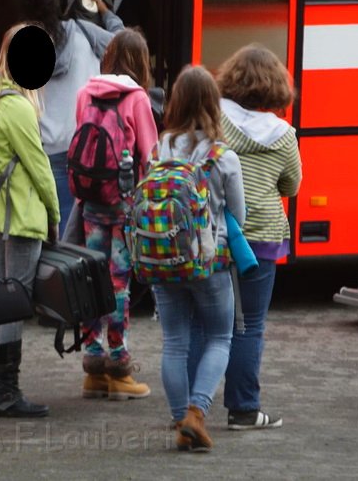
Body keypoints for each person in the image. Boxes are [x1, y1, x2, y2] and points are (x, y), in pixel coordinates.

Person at [151, 65, 244, 452]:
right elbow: (240, 215)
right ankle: (196, 413)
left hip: (163, 258)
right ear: (213, 104)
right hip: (209, 261)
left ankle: (179, 421)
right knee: (220, 337)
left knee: (175, 342)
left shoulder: (162, 147)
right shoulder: (224, 157)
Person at [0, 23, 60, 418]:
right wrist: (56, 214)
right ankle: (6, 392)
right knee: (13, 302)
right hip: (22, 216)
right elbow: (40, 167)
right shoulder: (18, 106)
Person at [213, 43, 302, 431]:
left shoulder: (214, 119)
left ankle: (191, 407)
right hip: (261, 237)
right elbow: (293, 185)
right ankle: (244, 409)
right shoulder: (284, 135)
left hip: (216, 231)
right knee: (249, 325)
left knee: (206, 323)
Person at [74, 28, 158, 400]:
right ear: (141, 61)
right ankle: (119, 364)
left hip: (91, 200)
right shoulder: (137, 98)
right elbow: (150, 155)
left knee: (92, 277)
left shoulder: (85, 92)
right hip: (125, 204)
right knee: (119, 281)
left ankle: (93, 365)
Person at [21, 0, 123, 231]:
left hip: (41, 148)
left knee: (44, 231)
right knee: (76, 236)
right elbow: (124, 43)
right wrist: (106, 12)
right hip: (85, 146)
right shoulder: (83, 33)